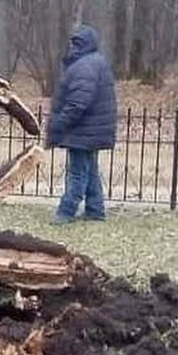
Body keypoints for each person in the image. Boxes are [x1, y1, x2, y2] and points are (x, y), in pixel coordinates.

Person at [46, 23, 118, 224]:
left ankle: (66, 211)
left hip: (83, 130)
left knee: (77, 173)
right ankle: (96, 210)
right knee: (90, 170)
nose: (71, 47)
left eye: (75, 43)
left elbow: (78, 103)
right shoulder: (94, 63)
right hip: (90, 130)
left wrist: (59, 123)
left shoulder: (84, 66)